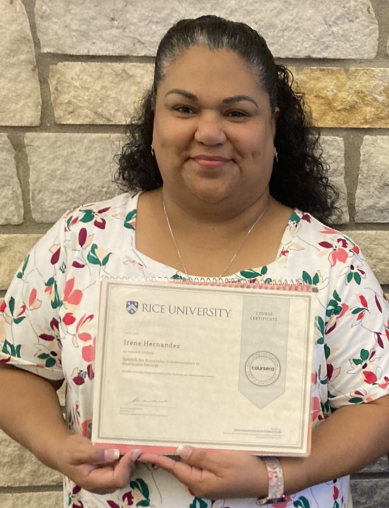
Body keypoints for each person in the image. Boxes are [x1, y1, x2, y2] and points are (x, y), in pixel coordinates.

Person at [1, 14, 389, 508]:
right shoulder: (81, 243)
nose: (209, 131)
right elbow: (16, 367)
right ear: (155, 122)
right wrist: (56, 446)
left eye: (237, 113)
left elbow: (378, 406)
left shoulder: (330, 263)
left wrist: (276, 476)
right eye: (184, 108)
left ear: (273, 129)